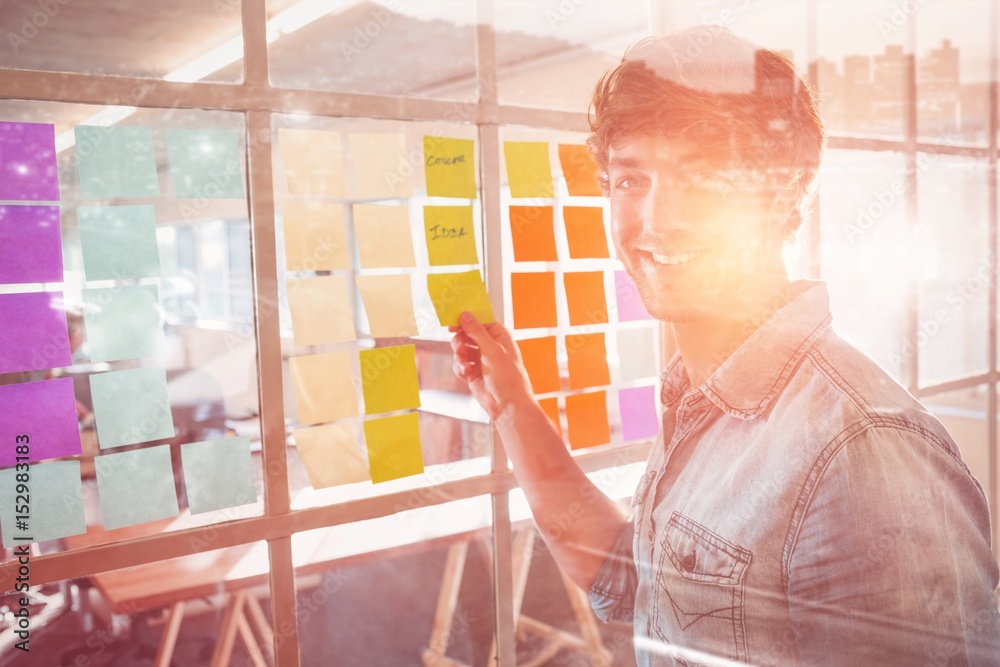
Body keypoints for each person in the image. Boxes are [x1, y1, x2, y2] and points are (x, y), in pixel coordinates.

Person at [449, 26, 1000, 666]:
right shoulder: (703, 396)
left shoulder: (862, 453)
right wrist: (514, 406)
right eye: (631, 180)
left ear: (783, 195)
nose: (657, 221)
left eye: (704, 176)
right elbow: (632, 582)